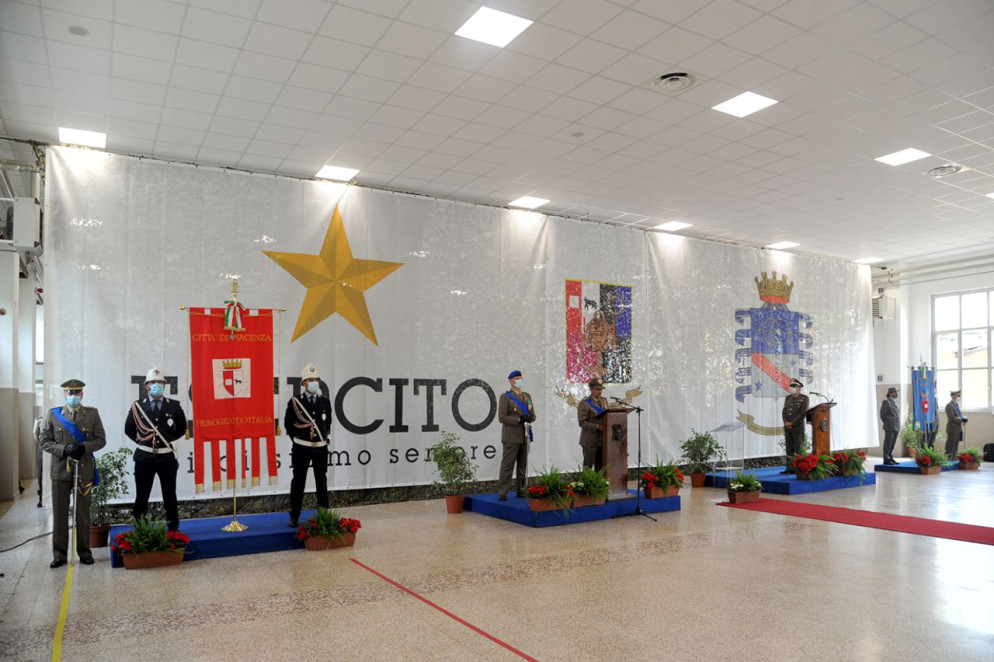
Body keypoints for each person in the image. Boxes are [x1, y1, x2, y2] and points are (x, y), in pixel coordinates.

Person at [39, 379, 107, 568]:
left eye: (76, 392)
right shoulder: (53, 414)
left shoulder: (92, 414)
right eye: (70, 392)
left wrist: (83, 447)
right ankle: (59, 555)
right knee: (60, 514)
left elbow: (101, 440)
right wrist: (63, 449)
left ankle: (84, 552)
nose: (73, 396)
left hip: (83, 470)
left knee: (83, 514)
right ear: (64, 394)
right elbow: (44, 441)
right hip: (60, 470)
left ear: (82, 394)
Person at [124, 368, 188, 531]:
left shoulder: (174, 406)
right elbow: (129, 429)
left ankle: (173, 531)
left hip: (166, 457)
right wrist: (143, 441)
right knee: (142, 496)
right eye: (153, 382)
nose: (156, 385)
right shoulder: (138, 406)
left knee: (170, 496)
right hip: (144, 457)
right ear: (146, 386)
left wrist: (168, 439)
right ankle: (140, 530)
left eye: (160, 382)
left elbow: (181, 428)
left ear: (165, 385)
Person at [284, 363, 332, 527]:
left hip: (320, 448)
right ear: (304, 383)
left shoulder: (325, 402)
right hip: (301, 448)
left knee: (321, 481)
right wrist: (298, 440)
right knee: (298, 481)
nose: (314, 383)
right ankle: (294, 515)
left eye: (317, 379)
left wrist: (322, 439)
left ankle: (324, 514)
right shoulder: (296, 401)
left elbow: (327, 424)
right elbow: (288, 424)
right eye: (311, 380)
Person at [497, 370, 536, 501]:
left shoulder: (527, 396)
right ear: (511, 381)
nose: (519, 380)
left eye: (521, 378)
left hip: (524, 435)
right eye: (517, 378)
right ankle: (503, 491)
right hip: (511, 436)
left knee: (522, 465)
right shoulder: (506, 397)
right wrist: (519, 419)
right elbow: (502, 417)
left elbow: (532, 414)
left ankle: (521, 489)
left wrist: (530, 418)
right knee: (508, 465)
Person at [578, 378, 608, 470]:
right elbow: (582, 422)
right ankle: (587, 480)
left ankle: (600, 480)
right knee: (588, 467)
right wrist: (598, 426)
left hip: (603, 440)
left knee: (601, 468)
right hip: (590, 440)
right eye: (597, 389)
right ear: (591, 389)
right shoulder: (585, 403)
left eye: (601, 389)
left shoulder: (604, 401)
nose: (600, 392)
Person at [781, 378, 809, 472]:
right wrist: (786, 422)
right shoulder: (788, 398)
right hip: (787, 427)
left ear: (799, 388)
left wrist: (792, 423)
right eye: (791, 386)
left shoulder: (804, 398)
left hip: (797, 427)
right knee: (789, 449)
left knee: (799, 449)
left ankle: (800, 469)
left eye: (794, 386)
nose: (791, 388)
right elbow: (784, 412)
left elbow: (802, 413)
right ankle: (790, 468)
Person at [944, 389, 967, 459]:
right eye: (955, 395)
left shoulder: (956, 405)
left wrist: (963, 418)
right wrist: (961, 419)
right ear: (951, 396)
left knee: (955, 446)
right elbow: (951, 418)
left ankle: (953, 459)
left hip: (958, 428)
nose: (956, 397)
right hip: (952, 428)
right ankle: (947, 459)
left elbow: (958, 415)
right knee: (950, 446)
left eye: (958, 395)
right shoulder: (949, 405)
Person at [880, 386, 900, 465]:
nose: (897, 394)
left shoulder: (895, 401)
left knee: (892, 443)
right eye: (895, 392)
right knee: (888, 443)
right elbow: (882, 414)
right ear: (890, 393)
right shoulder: (886, 401)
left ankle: (890, 457)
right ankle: (886, 459)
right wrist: (887, 422)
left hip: (896, 424)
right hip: (889, 425)